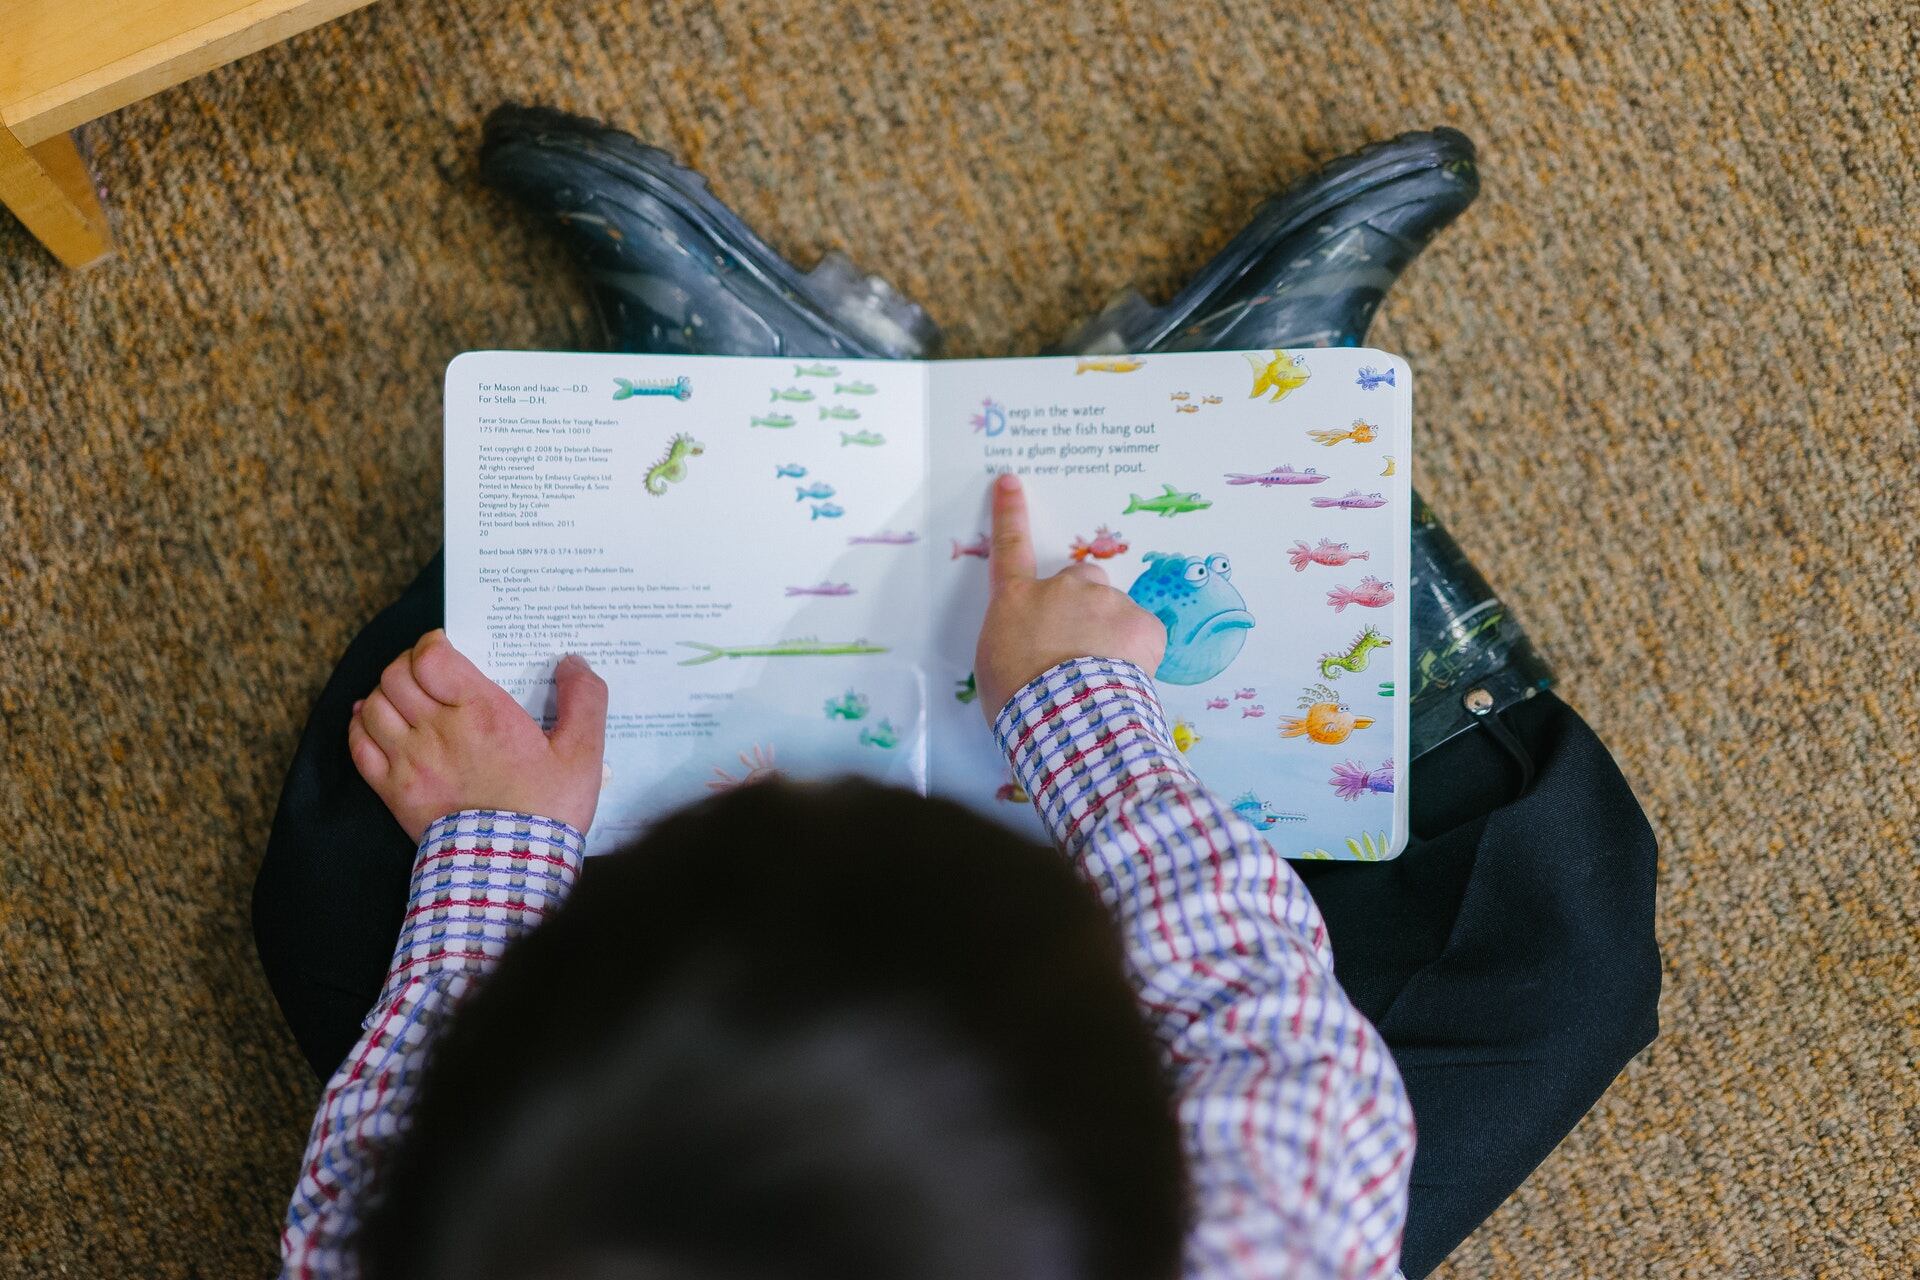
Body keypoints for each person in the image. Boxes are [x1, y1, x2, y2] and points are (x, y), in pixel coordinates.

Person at [256, 109, 1659, 1279]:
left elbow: (377, 1165)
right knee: (1559, 960)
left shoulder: (409, 1236)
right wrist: (1076, 709)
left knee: (351, 867)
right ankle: (1236, 403)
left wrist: (498, 847)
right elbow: (1255, 1008)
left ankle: (721, 403)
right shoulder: (1263, 1217)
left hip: (551, 1127)